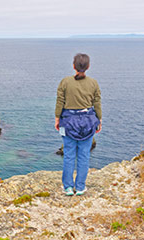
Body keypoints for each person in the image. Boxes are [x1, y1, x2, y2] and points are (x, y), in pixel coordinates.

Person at [55, 53, 102, 196]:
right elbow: (97, 103)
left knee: (68, 155)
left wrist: (57, 119)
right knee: (84, 155)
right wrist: (99, 120)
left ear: (73, 66)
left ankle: (68, 187)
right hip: (88, 122)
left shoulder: (65, 82)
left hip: (68, 121)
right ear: (88, 66)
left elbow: (60, 102)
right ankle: (80, 187)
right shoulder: (93, 83)